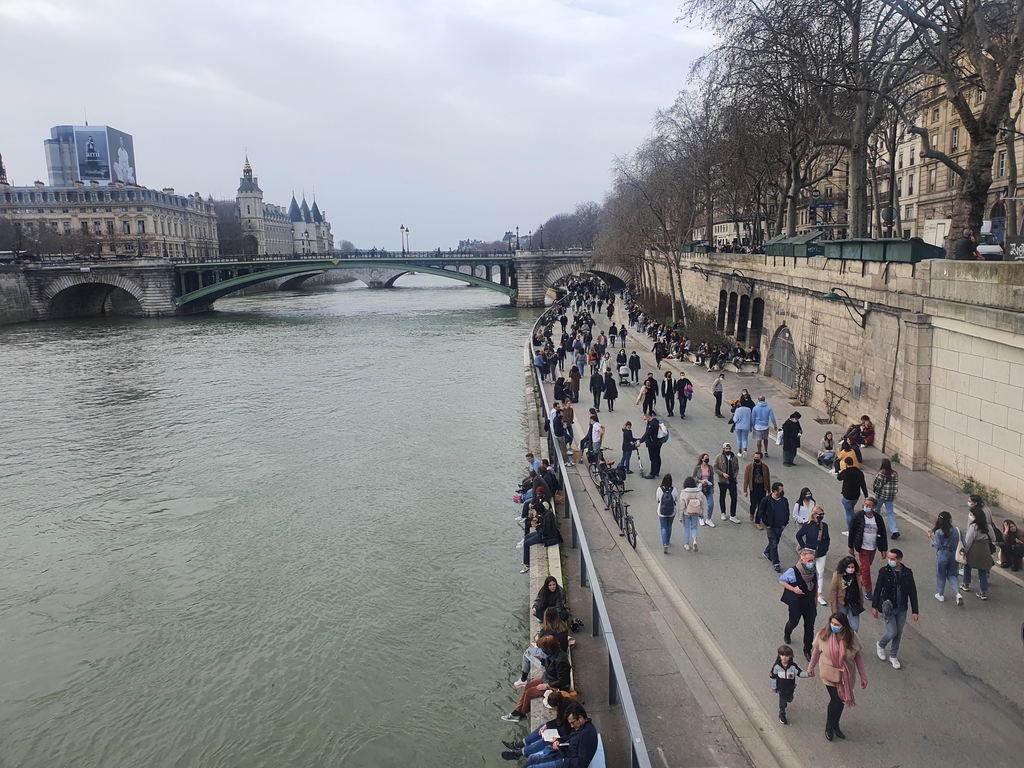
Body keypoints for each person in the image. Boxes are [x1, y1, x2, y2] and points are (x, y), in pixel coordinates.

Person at [807, 612, 868, 741]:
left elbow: (858, 658)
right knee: (835, 699)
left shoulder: (852, 637)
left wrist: (863, 676)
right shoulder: (824, 634)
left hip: (845, 676)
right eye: (832, 623)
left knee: (841, 701)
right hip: (829, 674)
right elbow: (816, 653)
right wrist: (811, 667)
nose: (834, 626)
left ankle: (836, 725)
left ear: (844, 626)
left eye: (837, 624)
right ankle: (829, 726)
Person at [501, 634, 571, 723]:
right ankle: (517, 712)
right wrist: (541, 660)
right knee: (528, 686)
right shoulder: (554, 654)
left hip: (555, 686)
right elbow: (550, 667)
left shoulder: (561, 662)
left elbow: (563, 681)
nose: (541, 651)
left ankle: (521, 714)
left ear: (548, 650)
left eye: (542, 649)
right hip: (549, 678)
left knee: (530, 693)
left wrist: (547, 686)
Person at [871, 548, 919, 670]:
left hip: (902, 608)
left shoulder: (907, 572)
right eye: (889, 558)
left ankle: (893, 655)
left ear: (900, 560)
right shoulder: (884, 571)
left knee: (899, 633)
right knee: (892, 631)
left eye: (893, 558)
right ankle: (881, 645)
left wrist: (915, 611)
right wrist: (874, 606)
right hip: (888, 608)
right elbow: (878, 589)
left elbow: (912, 592)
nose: (890, 560)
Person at [500, 689, 571, 763]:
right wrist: (547, 725)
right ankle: (519, 744)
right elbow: (560, 720)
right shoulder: (565, 704)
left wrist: (557, 739)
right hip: (564, 728)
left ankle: (519, 753)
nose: (553, 709)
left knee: (545, 740)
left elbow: (567, 729)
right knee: (542, 727)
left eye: (553, 708)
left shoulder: (567, 711)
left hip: (567, 734)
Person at [522, 702, 599, 767]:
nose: (572, 726)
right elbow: (570, 736)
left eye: (572, 723)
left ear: (580, 717)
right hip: (563, 754)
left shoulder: (585, 736)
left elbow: (582, 763)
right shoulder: (581, 727)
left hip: (565, 763)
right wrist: (558, 740)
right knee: (532, 758)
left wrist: (564, 761)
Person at [514, 608, 570, 687]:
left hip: (552, 653)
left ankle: (523, 679)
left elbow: (539, 640)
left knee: (527, 653)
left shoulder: (547, 631)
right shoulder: (564, 628)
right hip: (562, 652)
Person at [779, 548, 818, 659]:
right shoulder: (793, 571)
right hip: (797, 603)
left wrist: (815, 601)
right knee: (794, 622)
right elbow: (781, 580)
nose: (811, 563)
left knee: (810, 626)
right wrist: (793, 589)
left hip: (809, 603)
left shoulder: (814, 571)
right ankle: (787, 632)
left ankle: (807, 649)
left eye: (812, 560)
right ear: (802, 560)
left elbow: (815, 586)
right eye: (809, 561)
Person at [848, 499, 887, 600]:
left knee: (866, 566)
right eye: (865, 504)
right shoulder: (858, 516)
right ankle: (868, 590)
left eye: (868, 505)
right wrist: (851, 547)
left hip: (873, 547)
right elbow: (852, 532)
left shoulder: (878, 518)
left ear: (873, 507)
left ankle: (854, 575)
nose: (866, 506)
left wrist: (883, 549)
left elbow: (883, 534)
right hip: (862, 547)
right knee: (866, 569)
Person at [961, 497, 994, 600]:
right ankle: (983, 592)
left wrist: (965, 551)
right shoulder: (988, 527)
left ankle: (966, 584)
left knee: (967, 566)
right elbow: (993, 538)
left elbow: (969, 540)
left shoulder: (973, 527)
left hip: (974, 549)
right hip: (985, 549)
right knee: (982, 570)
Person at [797, 506, 831, 606]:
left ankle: (819, 595)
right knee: (806, 571)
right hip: (810, 551)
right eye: (819, 514)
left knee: (820, 573)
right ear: (814, 514)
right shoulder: (808, 526)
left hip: (821, 552)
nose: (821, 516)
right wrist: (803, 548)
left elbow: (827, 538)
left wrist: (826, 548)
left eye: (822, 514)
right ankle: (804, 589)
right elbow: (798, 535)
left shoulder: (824, 526)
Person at [927, 511, 963, 605]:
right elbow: (964, 543)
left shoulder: (939, 532)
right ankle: (958, 593)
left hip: (943, 554)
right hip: (954, 555)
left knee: (941, 575)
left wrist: (930, 538)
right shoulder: (957, 530)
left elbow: (937, 545)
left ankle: (940, 594)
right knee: (952, 575)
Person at [769, 644, 808, 725]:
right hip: (781, 689)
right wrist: (774, 687)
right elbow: (773, 677)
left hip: (790, 688)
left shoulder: (793, 667)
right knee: (782, 704)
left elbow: (800, 673)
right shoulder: (776, 667)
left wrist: (808, 674)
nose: (784, 657)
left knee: (789, 699)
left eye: (787, 656)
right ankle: (782, 715)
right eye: (782, 655)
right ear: (779, 656)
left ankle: (787, 700)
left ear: (790, 656)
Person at [759, 482, 790, 572]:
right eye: (781, 490)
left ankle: (767, 552)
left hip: (780, 526)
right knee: (773, 543)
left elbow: (787, 512)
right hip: (771, 526)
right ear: (775, 491)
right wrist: (766, 523)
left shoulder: (784, 500)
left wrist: (785, 523)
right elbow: (761, 512)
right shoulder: (766, 500)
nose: (783, 492)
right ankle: (776, 563)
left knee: (775, 542)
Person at [829, 555, 865, 631]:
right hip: (842, 604)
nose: (851, 569)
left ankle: (849, 642)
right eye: (849, 567)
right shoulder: (837, 575)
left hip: (854, 604)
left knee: (854, 628)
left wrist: (861, 603)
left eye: (852, 567)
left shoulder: (857, 575)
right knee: (841, 626)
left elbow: (860, 590)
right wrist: (834, 610)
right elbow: (833, 592)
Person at [837, 457, 869, 531]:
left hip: (847, 495)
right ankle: (854, 524)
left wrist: (840, 471)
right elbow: (863, 485)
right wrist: (866, 496)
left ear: (846, 463)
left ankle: (850, 529)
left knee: (848, 512)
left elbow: (839, 478)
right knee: (851, 509)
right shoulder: (859, 472)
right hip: (856, 495)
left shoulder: (846, 472)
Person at [872, 459, 900, 539]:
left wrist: (875, 489)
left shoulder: (881, 473)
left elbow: (876, 484)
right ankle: (894, 530)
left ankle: (876, 528)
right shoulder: (894, 474)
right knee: (890, 513)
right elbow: (895, 485)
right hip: (890, 496)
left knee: (877, 511)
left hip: (880, 495)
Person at [714, 442, 740, 523]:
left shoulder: (734, 458)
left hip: (732, 481)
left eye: (729, 449)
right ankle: (723, 512)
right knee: (722, 496)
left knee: (734, 497)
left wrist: (734, 476)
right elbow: (715, 468)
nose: (728, 450)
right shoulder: (719, 457)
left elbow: (737, 468)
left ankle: (733, 515)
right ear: (723, 449)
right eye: (726, 449)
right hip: (723, 481)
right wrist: (722, 474)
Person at [743, 451, 771, 527]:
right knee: (753, 504)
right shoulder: (749, 467)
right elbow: (746, 479)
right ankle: (752, 512)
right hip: (753, 488)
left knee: (761, 505)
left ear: (761, 458)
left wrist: (769, 490)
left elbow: (767, 479)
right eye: (755, 457)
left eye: (757, 458)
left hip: (762, 488)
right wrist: (745, 490)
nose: (756, 459)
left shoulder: (765, 467)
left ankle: (757, 521)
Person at [679, 477, 707, 553]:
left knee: (686, 528)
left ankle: (687, 544)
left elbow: (682, 506)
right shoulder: (699, 492)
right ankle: (694, 541)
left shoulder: (684, 493)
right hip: (696, 512)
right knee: (694, 527)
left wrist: (680, 517)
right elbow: (702, 504)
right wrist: (701, 514)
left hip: (686, 513)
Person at [656, 475, 679, 554]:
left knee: (663, 527)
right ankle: (668, 541)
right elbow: (676, 499)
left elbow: (658, 499)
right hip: (671, 512)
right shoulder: (674, 489)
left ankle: (665, 543)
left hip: (661, 511)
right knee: (669, 526)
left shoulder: (659, 489)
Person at [692, 453, 716, 527]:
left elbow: (711, 478)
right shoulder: (697, 467)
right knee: (700, 503)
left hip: (707, 486)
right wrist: (699, 481)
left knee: (711, 504)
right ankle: (701, 517)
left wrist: (712, 487)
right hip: (700, 487)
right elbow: (693, 477)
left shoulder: (710, 468)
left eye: (708, 458)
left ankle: (708, 519)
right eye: (705, 458)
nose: (707, 459)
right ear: (702, 459)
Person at [637, 412, 663, 479]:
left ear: (648, 417)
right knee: (657, 456)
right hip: (658, 442)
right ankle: (657, 471)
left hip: (653, 443)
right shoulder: (656, 422)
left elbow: (647, 434)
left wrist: (640, 441)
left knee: (653, 458)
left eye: (645, 419)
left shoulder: (652, 424)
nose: (644, 420)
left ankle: (652, 473)